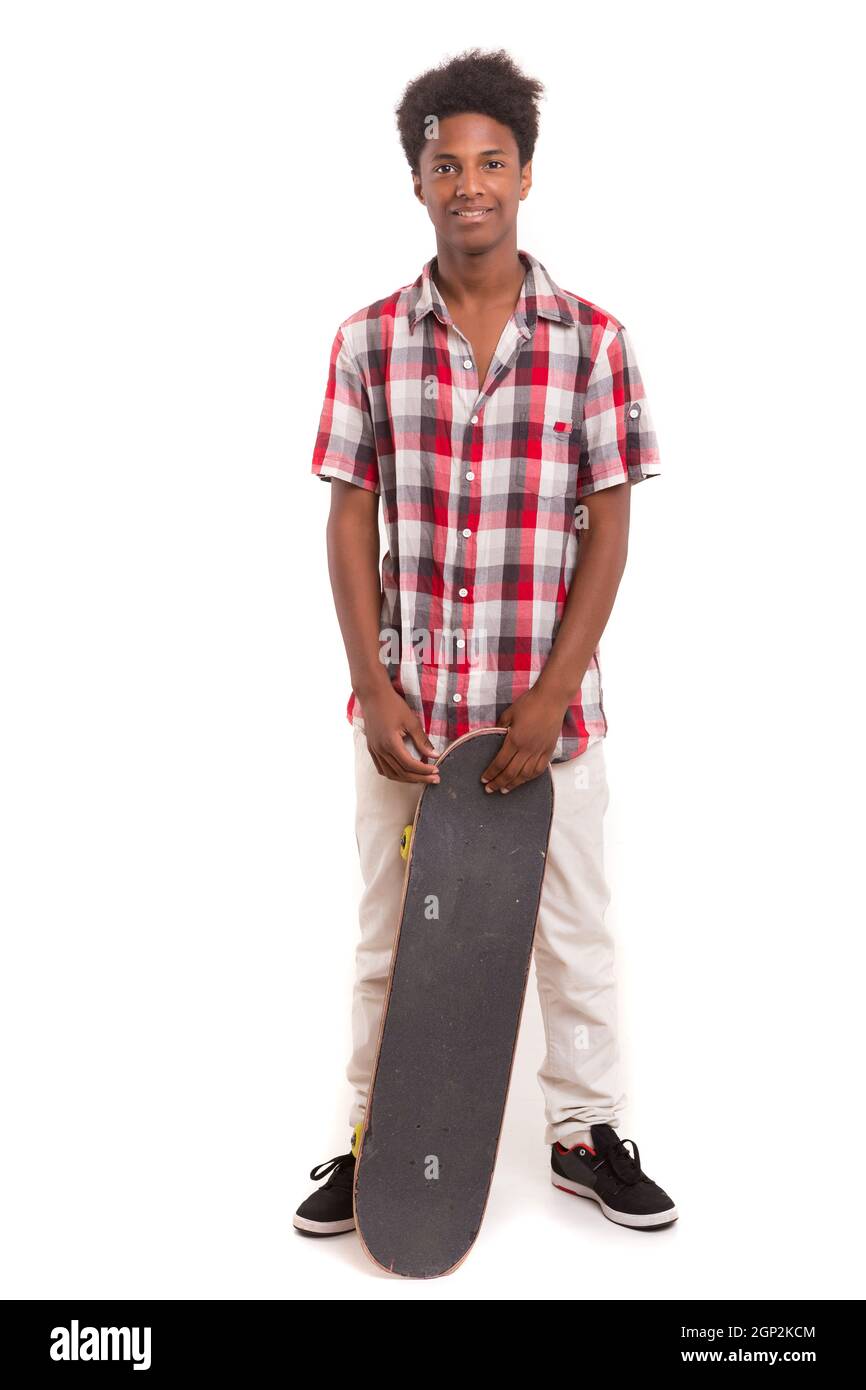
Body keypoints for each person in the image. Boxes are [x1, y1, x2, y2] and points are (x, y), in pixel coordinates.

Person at [294, 48, 677, 1240]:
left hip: (545, 718)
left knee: (572, 934)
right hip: (410, 718)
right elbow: (349, 512)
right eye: (444, 164)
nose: (469, 183)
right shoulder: (367, 341)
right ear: (417, 184)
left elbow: (607, 529)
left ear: (524, 176)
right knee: (385, 938)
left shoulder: (593, 341)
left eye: (490, 162)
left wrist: (548, 698)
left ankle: (583, 1131)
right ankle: (370, 1135)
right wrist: (372, 680)